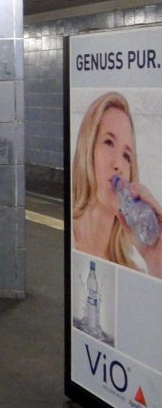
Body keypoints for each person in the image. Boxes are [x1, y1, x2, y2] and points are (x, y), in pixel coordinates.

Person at [72, 92, 162, 277]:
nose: (118, 165)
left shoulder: (133, 272)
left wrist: (157, 257)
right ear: (88, 148)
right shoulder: (65, 241)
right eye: (109, 142)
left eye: (126, 156)